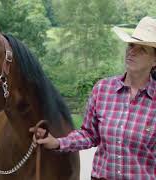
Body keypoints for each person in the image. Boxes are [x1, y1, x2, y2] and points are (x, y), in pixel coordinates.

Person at [30, 16, 156, 180]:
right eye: (131, 45)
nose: (132, 51)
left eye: (142, 49)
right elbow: (89, 134)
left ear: (154, 60)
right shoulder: (103, 89)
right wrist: (57, 143)